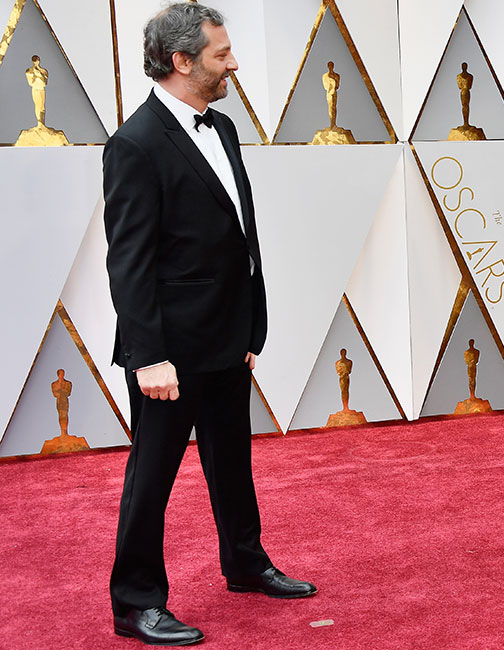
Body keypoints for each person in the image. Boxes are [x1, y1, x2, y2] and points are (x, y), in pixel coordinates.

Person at [103, 3, 315, 645]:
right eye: (222, 55)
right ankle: (136, 602)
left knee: (233, 461)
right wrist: (148, 356)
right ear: (182, 61)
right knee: (152, 477)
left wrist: (251, 329)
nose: (235, 64)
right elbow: (129, 261)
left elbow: (236, 238)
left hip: (228, 337)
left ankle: (246, 564)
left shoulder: (220, 128)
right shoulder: (135, 144)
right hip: (170, 352)